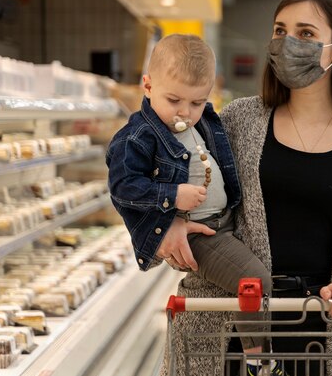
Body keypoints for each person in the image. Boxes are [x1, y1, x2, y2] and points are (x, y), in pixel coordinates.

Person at [161, 0, 332, 376]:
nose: (288, 43)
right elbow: (180, 181)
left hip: (318, 334)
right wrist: (169, 223)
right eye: (280, 30)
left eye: (306, 33)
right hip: (225, 328)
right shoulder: (238, 121)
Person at [105, 34, 279, 375]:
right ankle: (259, 359)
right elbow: (122, 186)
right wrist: (173, 196)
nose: (185, 112)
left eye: (198, 102)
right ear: (148, 85)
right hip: (201, 232)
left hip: (226, 221)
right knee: (254, 282)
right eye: (174, 100)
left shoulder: (206, 121)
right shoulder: (138, 136)